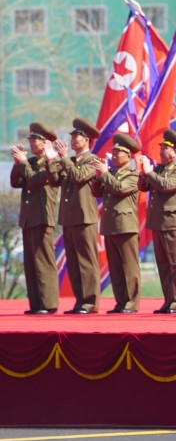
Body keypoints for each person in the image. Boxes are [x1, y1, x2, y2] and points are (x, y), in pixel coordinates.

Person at [136, 129, 176, 313]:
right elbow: (144, 187)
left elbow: (167, 186)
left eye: (165, 148)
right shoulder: (159, 169)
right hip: (158, 222)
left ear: (175, 152)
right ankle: (168, 301)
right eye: (161, 148)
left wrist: (150, 173)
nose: (161, 151)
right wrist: (143, 173)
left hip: (174, 222)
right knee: (164, 265)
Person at [11, 122, 60, 315]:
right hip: (29, 218)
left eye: (35, 140)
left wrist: (22, 163)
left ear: (45, 142)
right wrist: (18, 164)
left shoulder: (51, 162)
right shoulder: (29, 162)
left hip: (42, 215)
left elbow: (34, 180)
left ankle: (48, 303)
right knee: (31, 263)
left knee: (43, 261)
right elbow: (16, 182)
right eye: (30, 140)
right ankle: (36, 304)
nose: (31, 144)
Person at [56, 118, 101, 314]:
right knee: (73, 262)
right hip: (69, 217)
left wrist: (64, 158)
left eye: (77, 137)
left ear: (87, 140)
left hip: (85, 217)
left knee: (87, 261)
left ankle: (90, 302)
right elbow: (55, 180)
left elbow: (79, 176)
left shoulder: (93, 160)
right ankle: (80, 300)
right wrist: (54, 160)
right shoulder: (70, 161)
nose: (73, 140)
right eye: (72, 137)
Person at [92, 134, 141, 313]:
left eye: (118, 152)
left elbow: (120, 189)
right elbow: (96, 192)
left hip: (126, 225)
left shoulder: (133, 175)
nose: (114, 155)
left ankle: (132, 303)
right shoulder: (110, 174)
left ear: (128, 156)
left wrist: (105, 174)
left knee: (129, 267)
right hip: (110, 225)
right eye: (113, 152)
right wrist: (99, 176)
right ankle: (121, 301)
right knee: (116, 268)